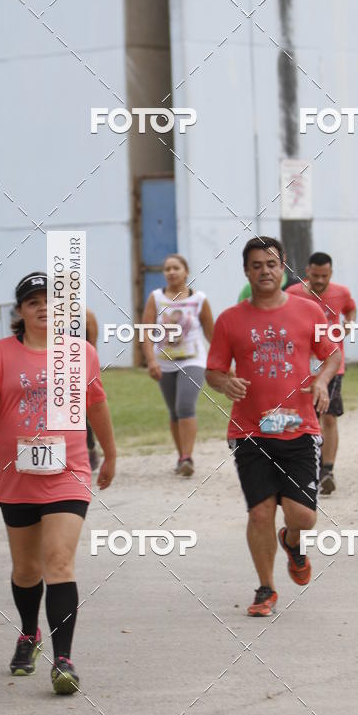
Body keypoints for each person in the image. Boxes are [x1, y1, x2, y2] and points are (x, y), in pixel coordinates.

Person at [0, 272, 116, 694]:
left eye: (50, 301)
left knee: (59, 563)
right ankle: (29, 633)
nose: (42, 308)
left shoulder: (80, 353)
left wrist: (111, 454)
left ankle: (63, 658)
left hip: (69, 472)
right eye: (33, 302)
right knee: (27, 570)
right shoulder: (1, 354)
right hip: (18, 476)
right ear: (20, 312)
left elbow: (97, 405)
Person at [205, 237, 341, 616]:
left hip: (300, 428)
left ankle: (292, 543)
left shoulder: (309, 312)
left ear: (283, 268)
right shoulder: (230, 319)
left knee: (303, 516)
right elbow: (213, 371)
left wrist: (320, 380)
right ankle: (265, 588)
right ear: (247, 271)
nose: (265, 271)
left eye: (271, 264)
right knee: (260, 512)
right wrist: (224, 382)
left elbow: (332, 355)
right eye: (256, 265)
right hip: (250, 431)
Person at [285, 252, 356, 495]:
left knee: (328, 417)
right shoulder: (293, 293)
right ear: (307, 271)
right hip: (300, 366)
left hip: (332, 364)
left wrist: (350, 324)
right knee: (304, 417)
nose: (319, 280)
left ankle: (327, 470)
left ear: (331, 274)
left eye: (324, 276)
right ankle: (302, 467)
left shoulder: (341, 292)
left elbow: (351, 308)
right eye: (314, 276)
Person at [142, 254, 214, 476]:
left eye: (176, 268)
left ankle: (187, 457)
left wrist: (223, 360)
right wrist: (151, 360)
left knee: (184, 406)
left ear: (186, 271)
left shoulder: (199, 299)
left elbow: (212, 333)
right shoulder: (156, 297)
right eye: (167, 268)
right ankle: (181, 455)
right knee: (174, 412)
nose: (171, 272)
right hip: (164, 362)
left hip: (193, 360)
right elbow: (145, 331)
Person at [85, 308, 100, 470]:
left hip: (80, 370)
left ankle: (90, 447)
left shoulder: (87, 315)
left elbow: (93, 348)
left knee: (81, 414)